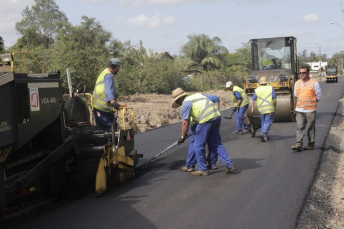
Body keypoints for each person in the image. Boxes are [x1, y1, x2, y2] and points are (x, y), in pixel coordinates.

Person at [172, 87, 237, 176]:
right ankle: (230, 164)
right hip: (216, 117)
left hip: (205, 120)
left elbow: (185, 122)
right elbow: (215, 99)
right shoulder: (197, 95)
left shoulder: (186, 104)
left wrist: (183, 136)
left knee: (198, 145)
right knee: (216, 143)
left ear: (179, 99)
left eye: (177, 102)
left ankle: (203, 169)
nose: (178, 104)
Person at [291, 66, 322, 151]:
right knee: (299, 126)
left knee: (310, 128)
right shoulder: (297, 83)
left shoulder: (314, 83)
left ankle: (311, 144)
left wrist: (312, 102)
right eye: (300, 73)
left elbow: (319, 96)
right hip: (299, 110)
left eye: (303, 73)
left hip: (310, 110)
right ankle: (298, 143)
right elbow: (296, 95)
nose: (301, 74)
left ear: (308, 73)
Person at [93, 58, 122, 132]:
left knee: (101, 130)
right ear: (117, 67)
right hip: (103, 109)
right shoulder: (109, 76)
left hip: (97, 107)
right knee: (110, 130)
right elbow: (108, 90)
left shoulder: (103, 73)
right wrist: (113, 102)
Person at [251, 76, 276, 142]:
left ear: (260, 83)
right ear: (267, 82)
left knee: (263, 121)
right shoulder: (271, 88)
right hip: (269, 108)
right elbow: (274, 99)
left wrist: (253, 108)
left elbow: (253, 100)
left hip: (261, 109)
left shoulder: (257, 89)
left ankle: (265, 136)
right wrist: (275, 107)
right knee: (268, 122)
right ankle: (263, 133)